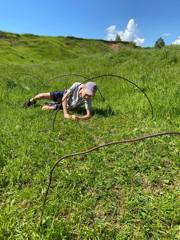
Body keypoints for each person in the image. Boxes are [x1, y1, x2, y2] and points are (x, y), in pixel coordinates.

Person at [24, 82, 97, 120]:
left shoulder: (88, 99)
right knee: (41, 96)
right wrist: (65, 114)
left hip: (66, 105)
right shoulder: (77, 85)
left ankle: (50, 105)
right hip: (62, 95)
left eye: (90, 95)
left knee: (44, 108)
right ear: (83, 88)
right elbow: (64, 97)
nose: (87, 97)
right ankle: (31, 101)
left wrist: (79, 118)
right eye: (87, 94)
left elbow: (88, 115)